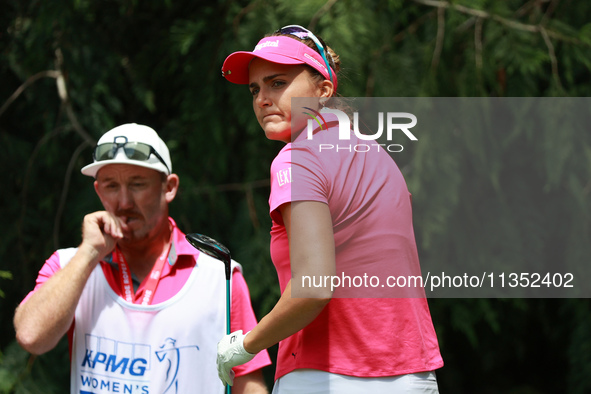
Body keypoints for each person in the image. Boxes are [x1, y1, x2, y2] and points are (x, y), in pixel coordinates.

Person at [216, 25, 444, 393]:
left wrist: (243, 346)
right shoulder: (381, 158)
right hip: (412, 375)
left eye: (277, 83)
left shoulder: (297, 159)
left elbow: (313, 287)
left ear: (323, 90)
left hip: (328, 375)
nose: (262, 99)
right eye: (255, 89)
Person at [14, 123, 271, 393]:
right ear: (98, 191)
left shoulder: (219, 277)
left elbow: (247, 383)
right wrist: (89, 253)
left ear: (169, 187)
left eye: (137, 184)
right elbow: (31, 336)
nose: (124, 201)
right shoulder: (69, 265)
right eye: (111, 186)